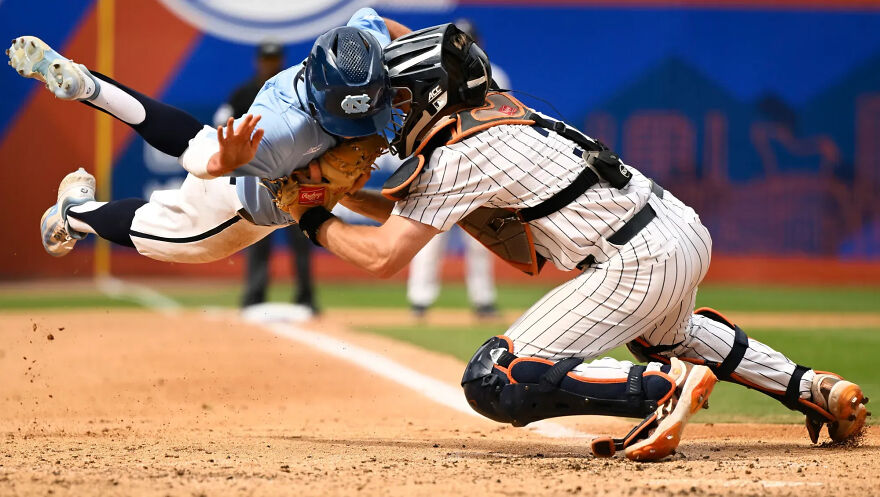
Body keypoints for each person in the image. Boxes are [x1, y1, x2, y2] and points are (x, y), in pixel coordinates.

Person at [280, 23, 868, 460]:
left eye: (403, 98)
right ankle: (813, 387)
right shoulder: (498, 118)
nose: (393, 111)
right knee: (669, 335)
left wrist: (308, 217)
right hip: (677, 231)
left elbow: (384, 255)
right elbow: (414, 213)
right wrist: (338, 199)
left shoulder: (454, 155)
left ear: (434, 96)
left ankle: (662, 388)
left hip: (634, 258)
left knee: (496, 378)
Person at [9, 8, 410, 265]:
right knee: (156, 232)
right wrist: (224, 161)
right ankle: (74, 213)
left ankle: (89, 86)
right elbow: (194, 151)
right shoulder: (283, 131)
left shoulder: (358, 55)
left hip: (250, 167)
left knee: (200, 148)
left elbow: (374, 20)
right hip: (230, 209)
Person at [404, 18, 508, 320]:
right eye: (460, 41)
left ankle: (483, 299)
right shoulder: (437, 73)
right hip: (442, 164)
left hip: (482, 165)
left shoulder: (495, 74)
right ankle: (420, 299)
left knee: (480, 240)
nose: (464, 46)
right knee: (429, 234)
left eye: (468, 41)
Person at [213, 42, 317, 314]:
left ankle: (306, 299)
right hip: (257, 179)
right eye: (267, 59)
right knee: (256, 238)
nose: (270, 64)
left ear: (280, 60)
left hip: (294, 177)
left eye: (275, 59)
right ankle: (254, 297)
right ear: (258, 61)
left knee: (303, 236)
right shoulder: (244, 93)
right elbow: (220, 124)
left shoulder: (293, 91)